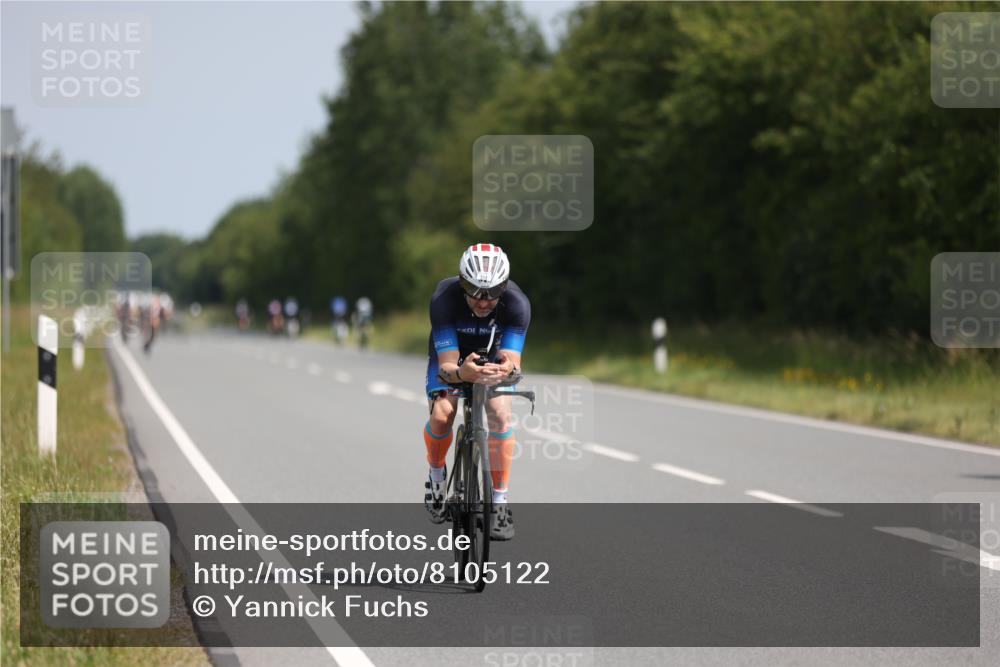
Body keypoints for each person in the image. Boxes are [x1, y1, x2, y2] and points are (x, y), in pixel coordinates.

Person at [422, 243, 529, 540]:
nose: (483, 301)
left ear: (504, 287)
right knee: (443, 414)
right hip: (452, 355)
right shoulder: (444, 299)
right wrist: (461, 373)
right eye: (474, 291)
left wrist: (507, 369)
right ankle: (436, 478)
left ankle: (499, 503)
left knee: (500, 417)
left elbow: (513, 362)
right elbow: (446, 366)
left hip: (492, 355)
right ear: (462, 282)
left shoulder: (517, 304)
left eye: (493, 293)